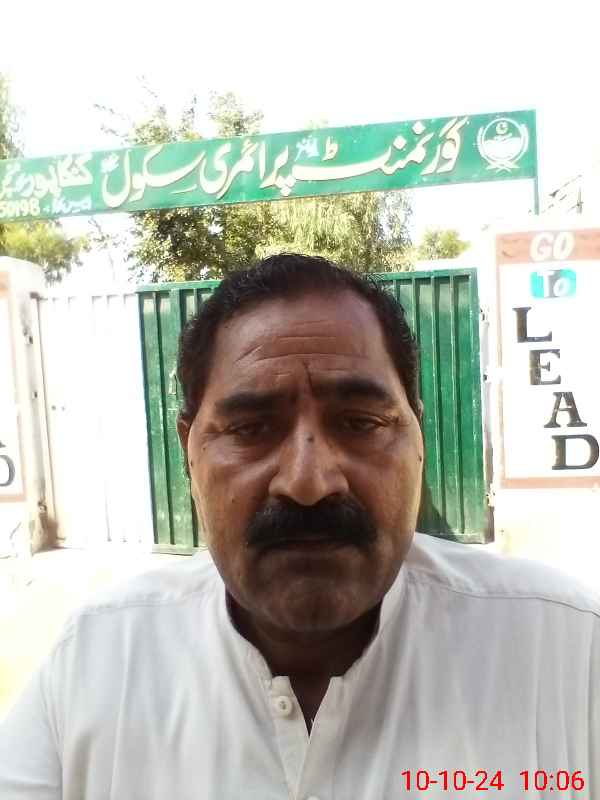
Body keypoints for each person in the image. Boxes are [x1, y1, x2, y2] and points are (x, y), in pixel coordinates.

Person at [0, 253, 598, 799]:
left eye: (360, 422)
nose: (308, 482)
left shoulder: (567, 654)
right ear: (189, 452)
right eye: (250, 429)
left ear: (418, 440)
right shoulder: (99, 660)